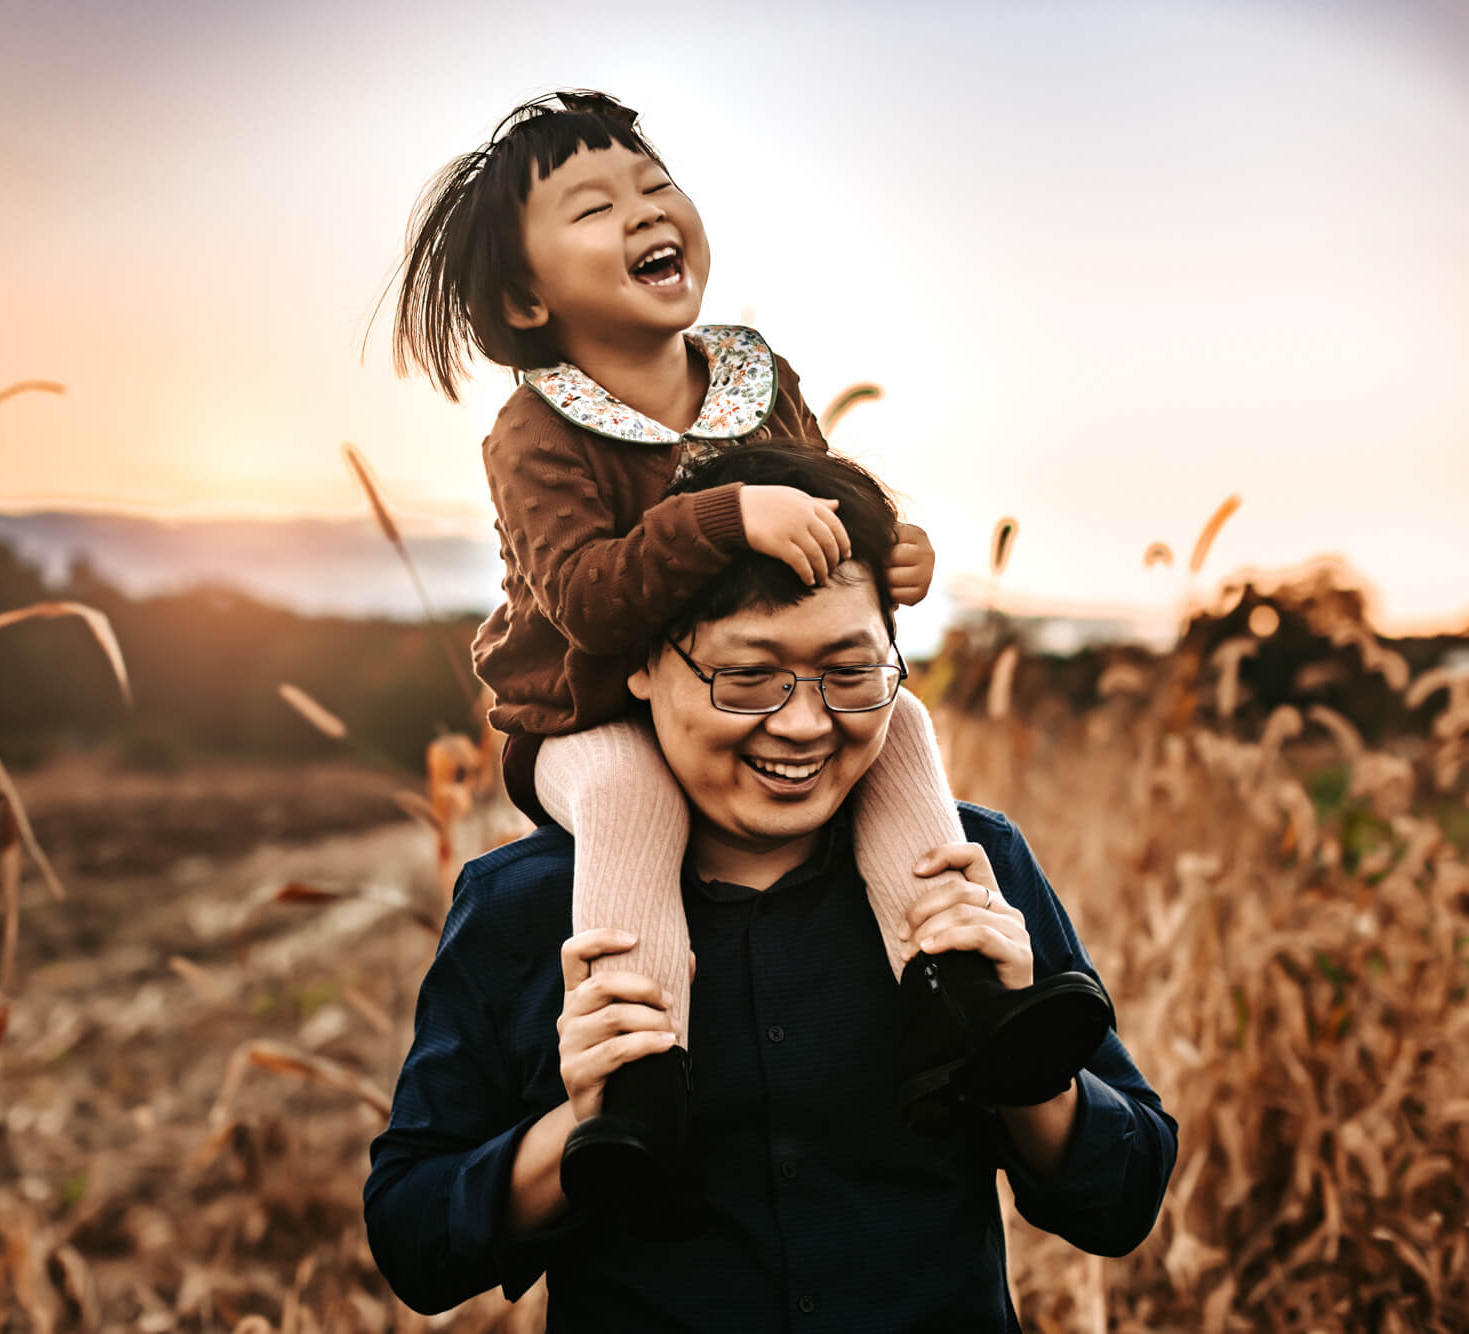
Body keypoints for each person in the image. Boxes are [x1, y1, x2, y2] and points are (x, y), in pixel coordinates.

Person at [387, 90, 1108, 1205]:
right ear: (525, 295)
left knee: (903, 724)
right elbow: (581, 598)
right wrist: (723, 516)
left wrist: (884, 552)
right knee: (631, 796)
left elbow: (827, 524)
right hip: (578, 716)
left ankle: (957, 989)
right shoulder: (535, 428)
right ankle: (637, 1077)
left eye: (652, 184)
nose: (641, 211)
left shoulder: (751, 375)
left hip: (738, 693)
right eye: (591, 207)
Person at [364, 443, 1177, 1330]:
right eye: (747, 677)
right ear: (639, 663)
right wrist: (574, 1130)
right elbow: (414, 1239)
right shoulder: (523, 906)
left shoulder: (973, 868)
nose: (803, 723)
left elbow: (1124, 1196)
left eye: (850, 674)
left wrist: (1028, 1065)